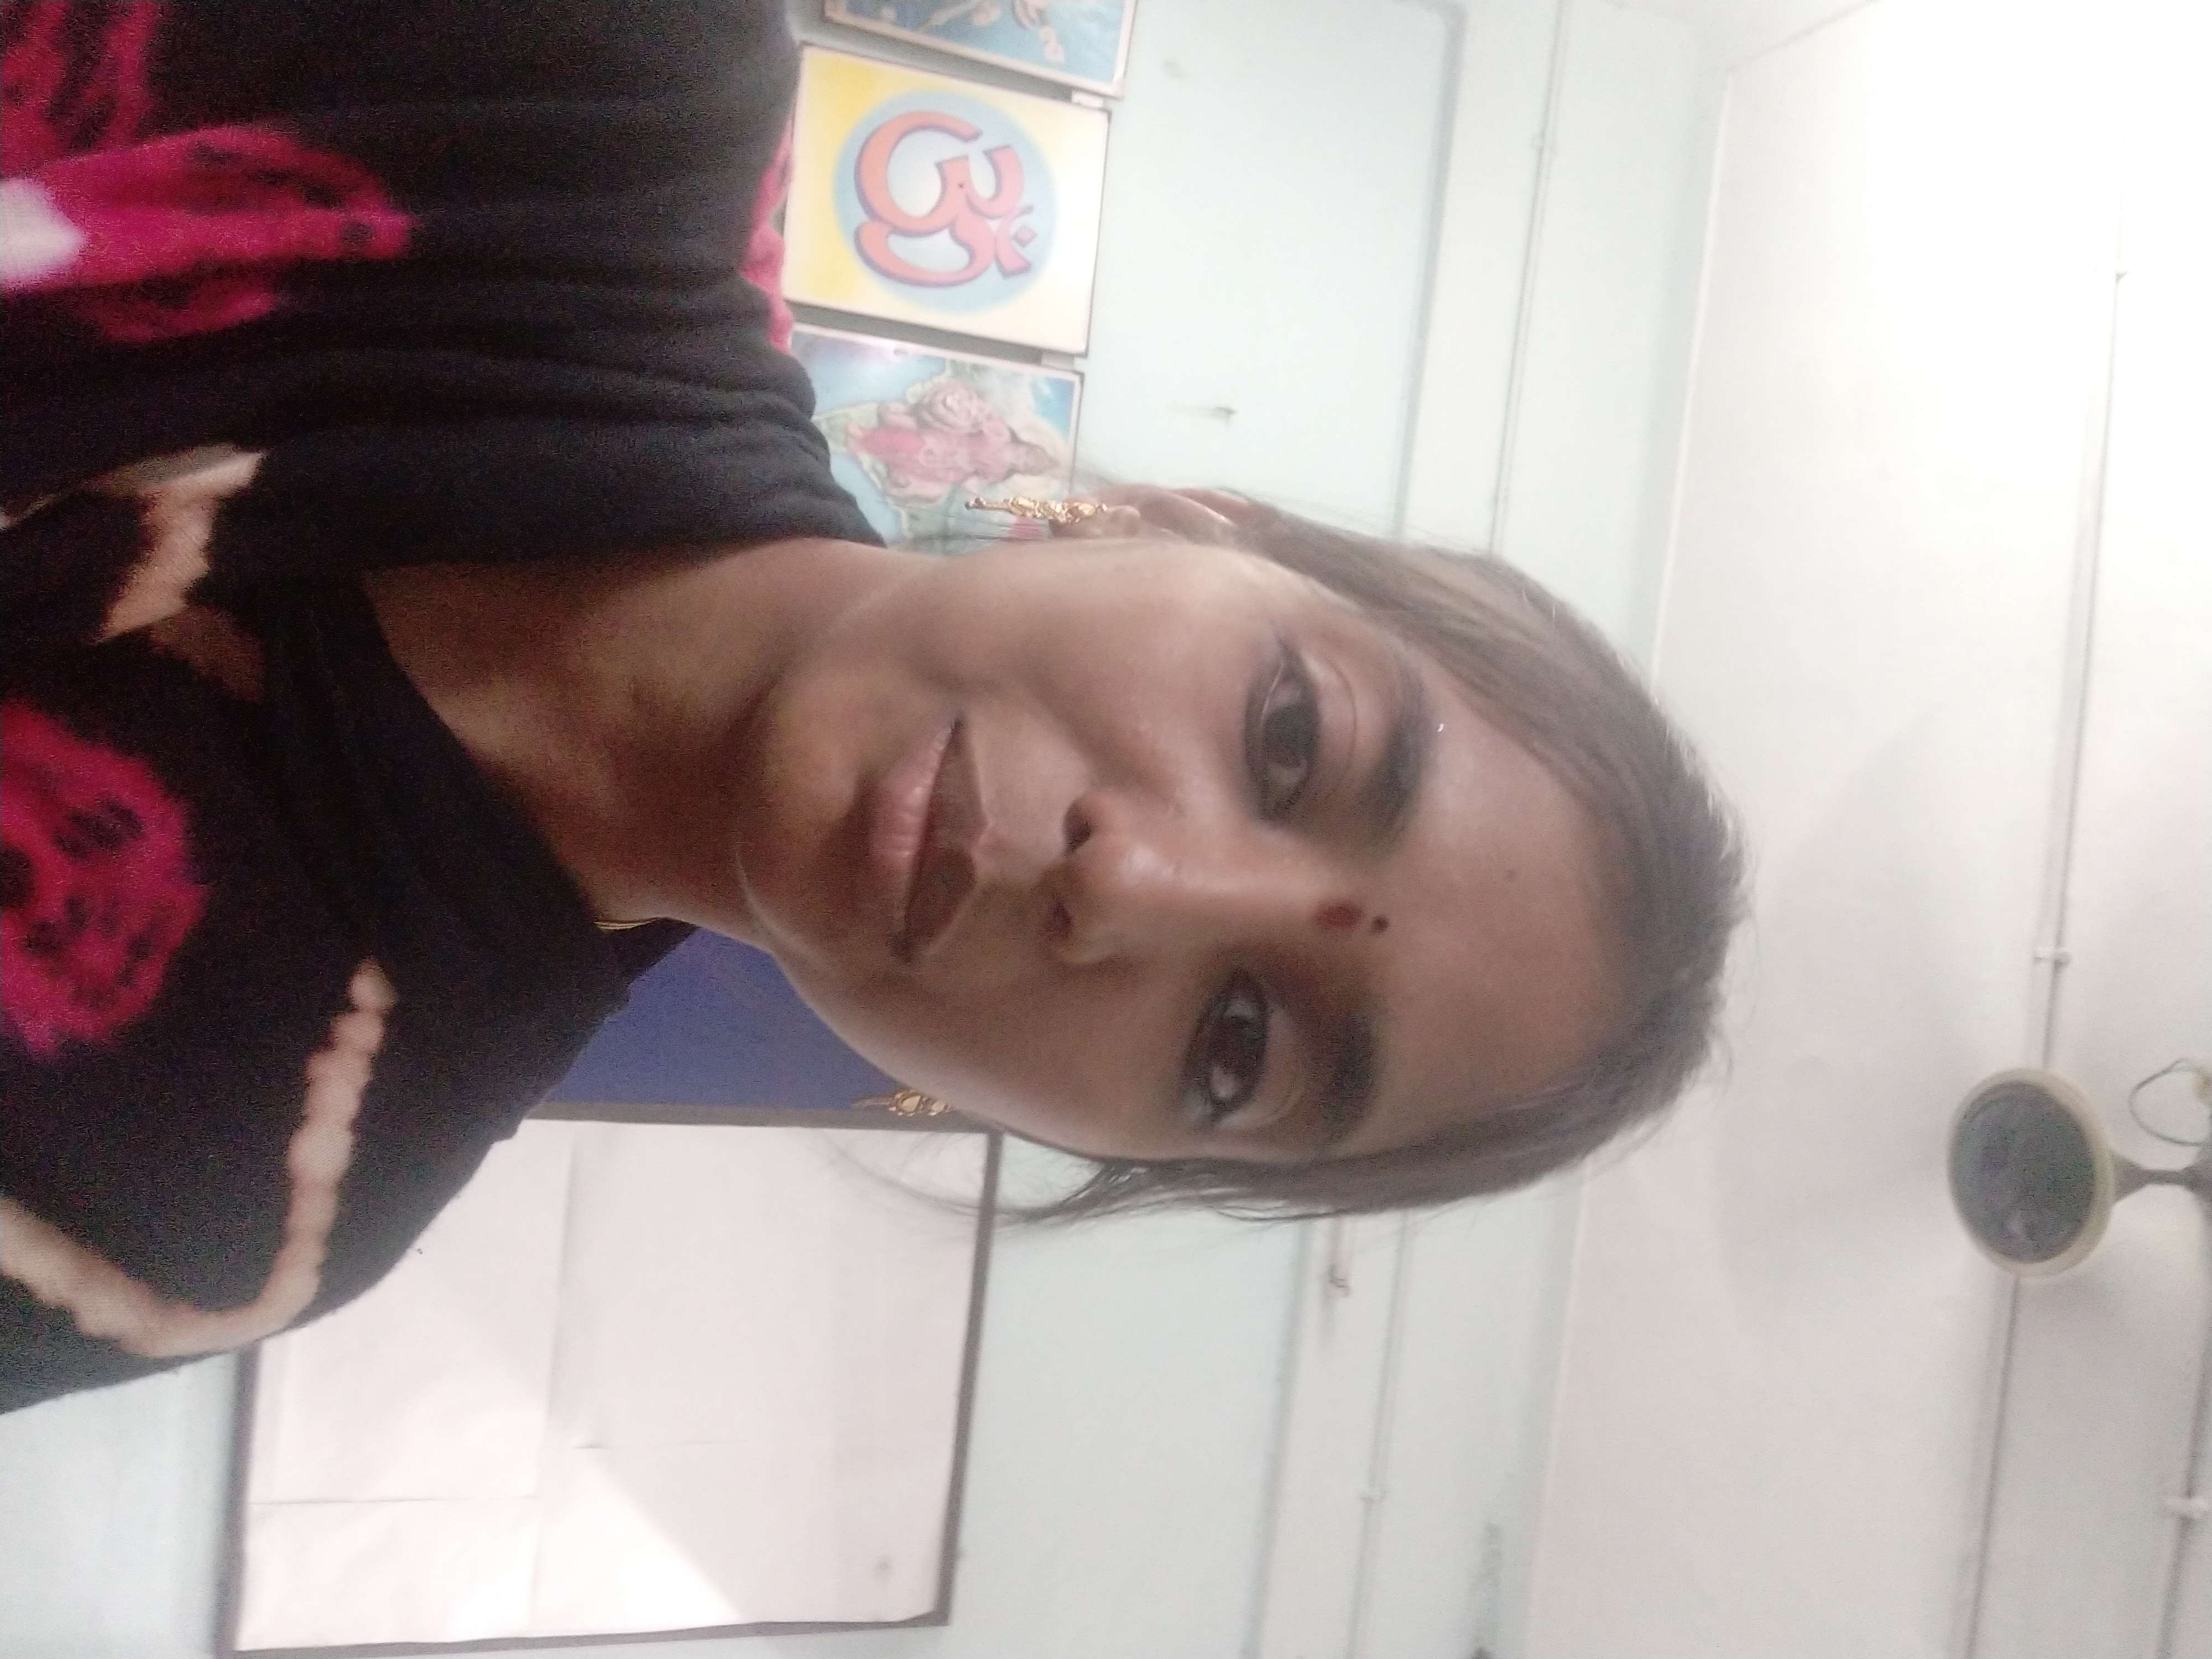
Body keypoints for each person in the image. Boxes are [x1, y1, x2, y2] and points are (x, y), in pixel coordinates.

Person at [0, 0, 1744, 1413]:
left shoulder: (198, 1190)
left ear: (1079, 1142)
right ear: (1183, 519)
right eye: (1289, 739)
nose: (1131, 885)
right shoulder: (579, 87)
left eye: (1237, 1046)